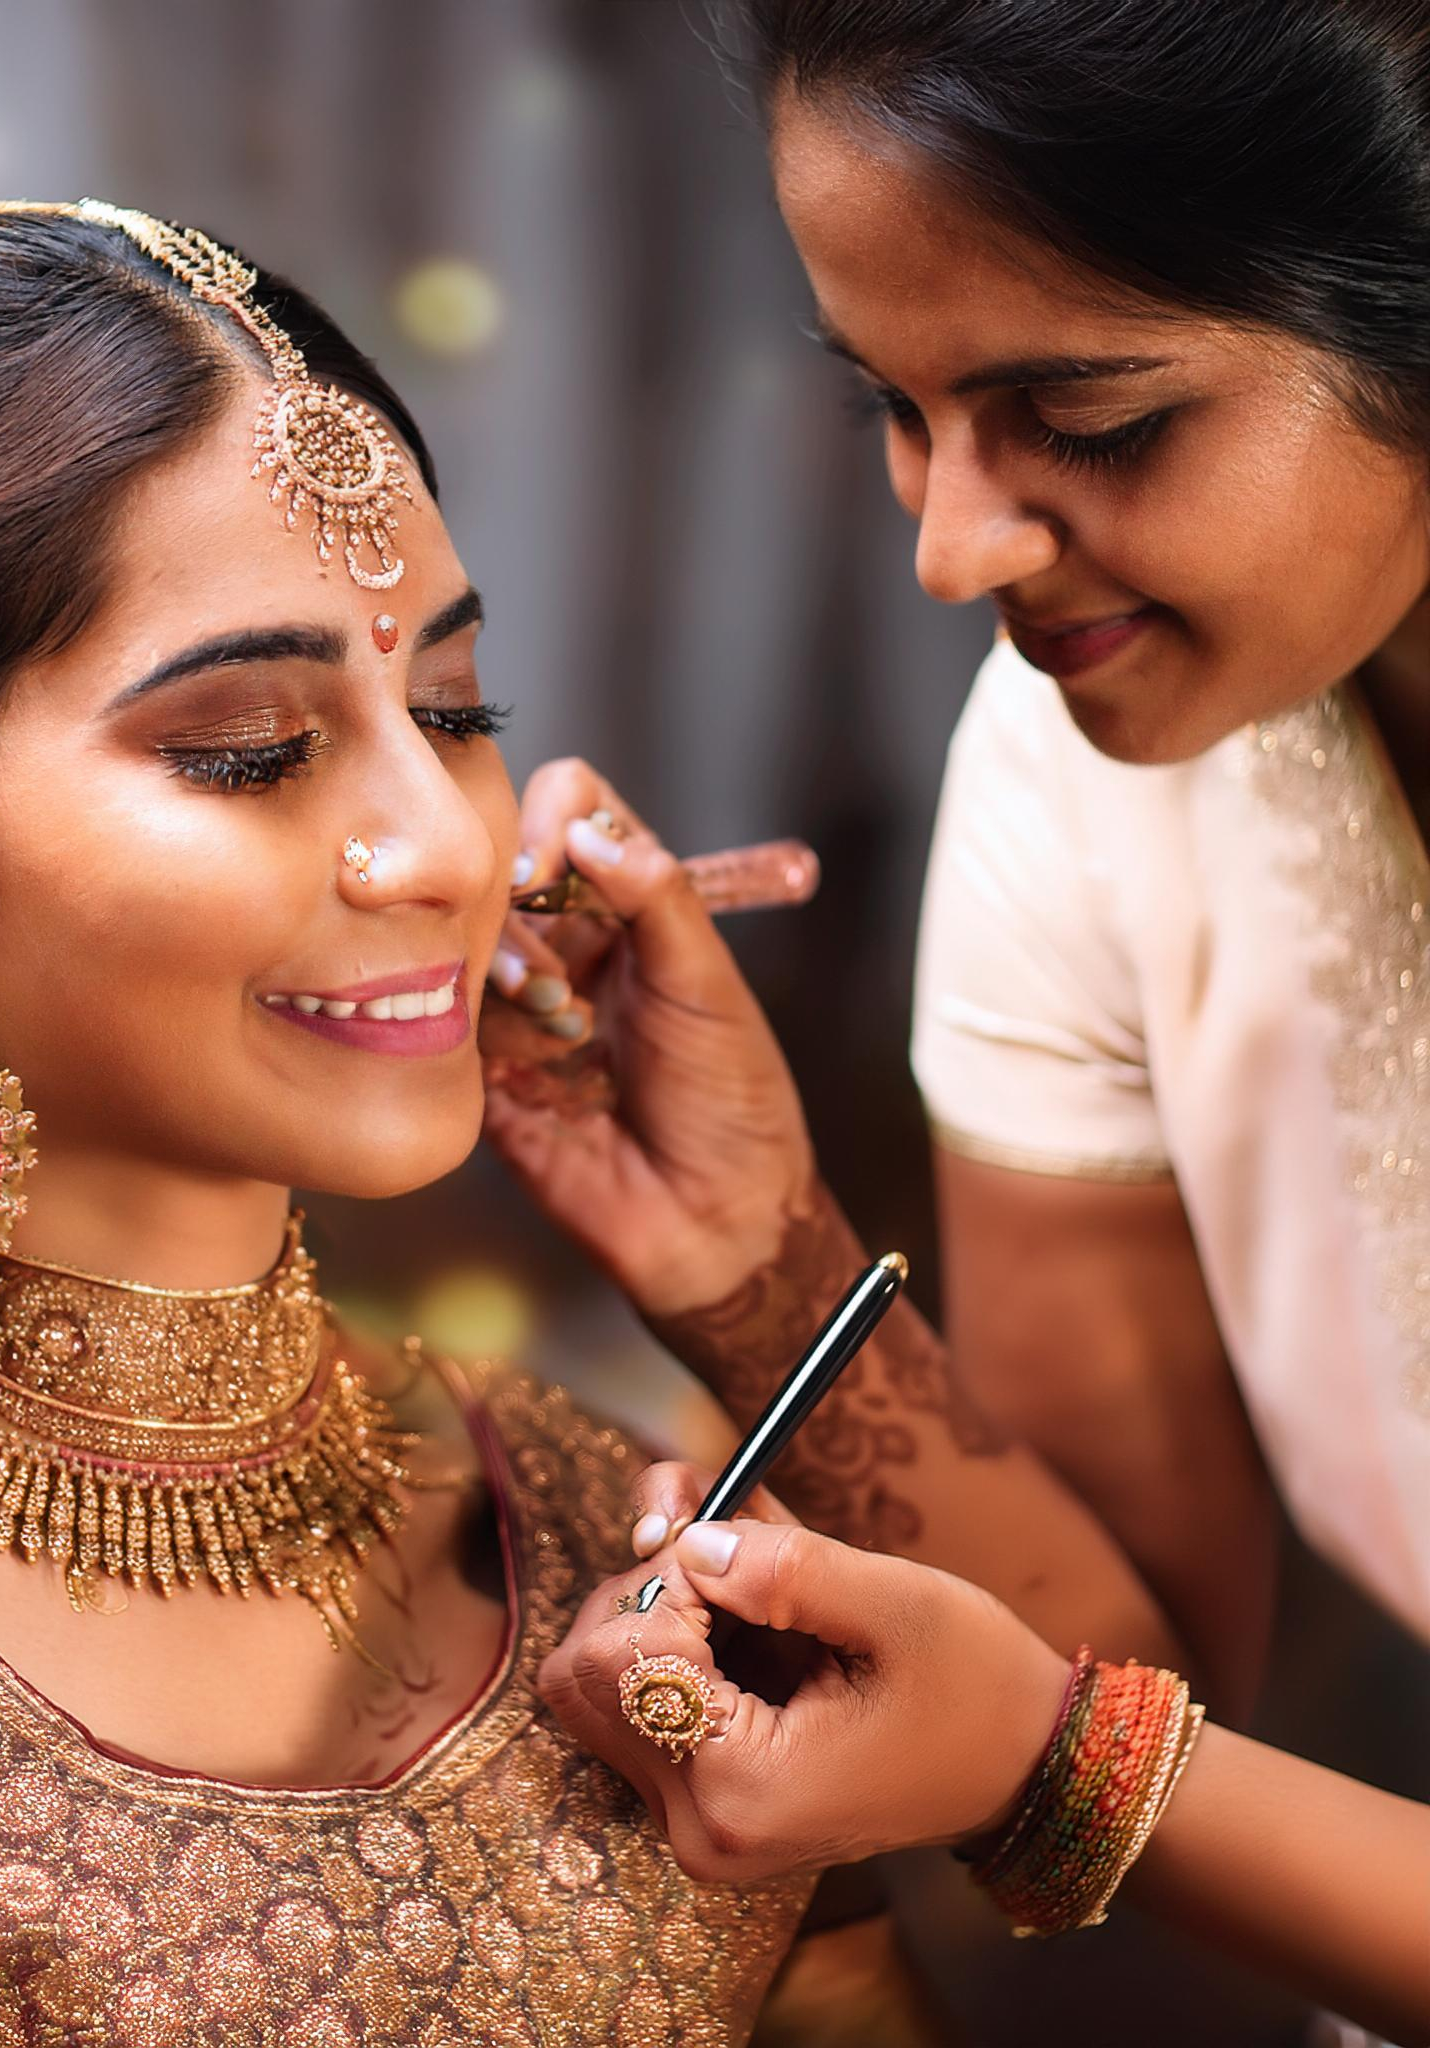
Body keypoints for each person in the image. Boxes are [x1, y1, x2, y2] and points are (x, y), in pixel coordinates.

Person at [0, 201, 1151, 2046]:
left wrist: (747, 1255)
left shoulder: (608, 1538)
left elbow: (1132, 1735)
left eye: (457, 709)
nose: (452, 847)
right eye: (252, 748)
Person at [524, 0, 1430, 2035]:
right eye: (896, 404)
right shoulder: (1084, 750)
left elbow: (1095, 1739)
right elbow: (1136, 1652)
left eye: (1092, 422)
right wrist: (754, 1255)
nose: (951, 548)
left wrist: (1057, 1767)